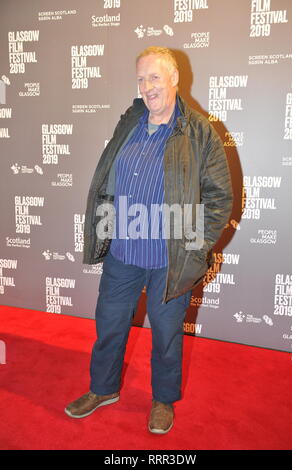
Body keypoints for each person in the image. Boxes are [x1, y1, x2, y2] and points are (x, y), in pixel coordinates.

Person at [65, 46, 233, 434]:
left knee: (167, 333)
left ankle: (162, 399)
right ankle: (103, 389)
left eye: (154, 77)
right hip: (123, 249)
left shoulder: (199, 131)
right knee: (108, 324)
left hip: (168, 258)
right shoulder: (132, 119)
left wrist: (194, 244)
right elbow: (109, 174)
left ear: (174, 79)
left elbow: (220, 197)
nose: (147, 86)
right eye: (141, 78)